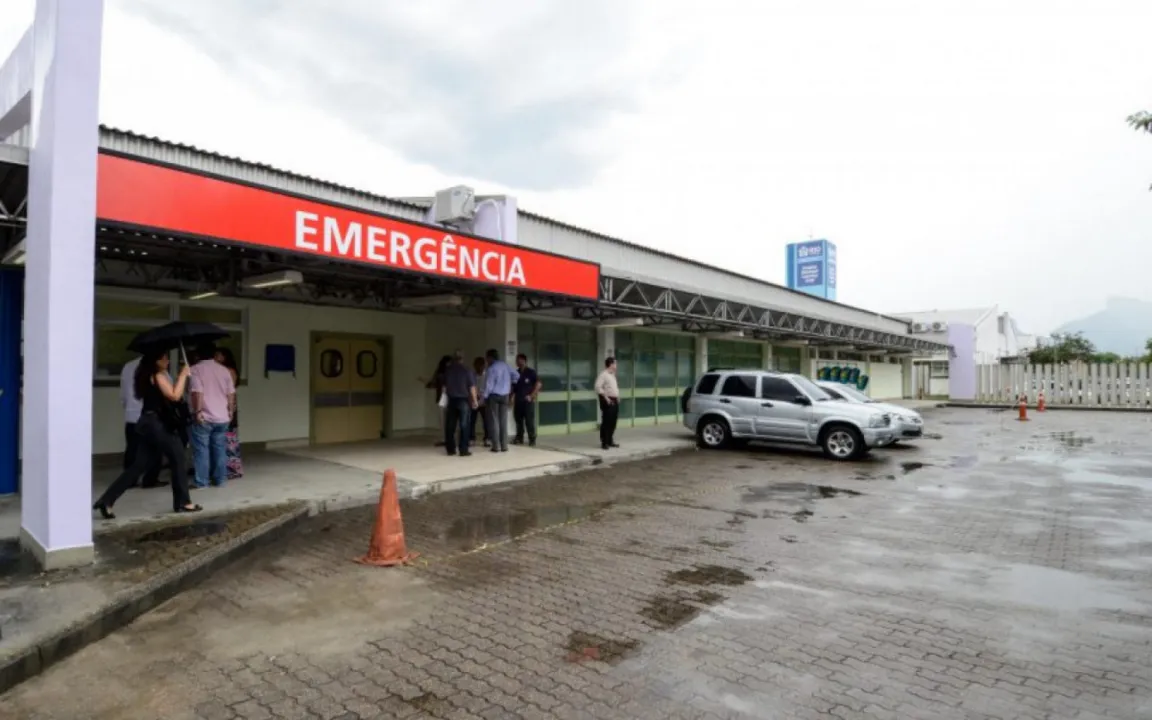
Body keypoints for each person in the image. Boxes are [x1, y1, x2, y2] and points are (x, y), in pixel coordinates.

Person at [93, 348, 201, 518]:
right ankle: (183, 502)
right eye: (164, 357)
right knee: (178, 457)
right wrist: (183, 375)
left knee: (138, 465)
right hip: (157, 425)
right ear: (156, 361)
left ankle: (107, 500)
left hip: (147, 423)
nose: (167, 361)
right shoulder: (156, 375)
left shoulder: (147, 375)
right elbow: (174, 395)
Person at [189, 343, 236, 488]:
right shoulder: (224, 370)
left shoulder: (195, 369)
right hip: (222, 417)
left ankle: (202, 482)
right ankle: (220, 479)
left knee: (201, 450)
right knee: (220, 449)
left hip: (204, 417)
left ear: (198, 355)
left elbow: (198, 392)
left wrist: (197, 412)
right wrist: (230, 411)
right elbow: (231, 393)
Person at [119, 355, 165, 488]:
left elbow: (123, 391)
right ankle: (150, 479)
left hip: (132, 414)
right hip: (151, 416)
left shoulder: (128, 366)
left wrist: (126, 406)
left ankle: (129, 480)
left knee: (132, 448)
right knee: (155, 449)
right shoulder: (156, 368)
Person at [442, 350, 478, 456]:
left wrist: (444, 399)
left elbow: (444, 386)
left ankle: (450, 449)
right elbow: (472, 387)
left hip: (451, 399)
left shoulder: (448, 370)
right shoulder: (467, 370)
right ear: (462, 358)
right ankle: (463, 449)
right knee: (464, 425)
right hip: (463, 400)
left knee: (450, 425)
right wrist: (475, 401)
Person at [215, 347, 243, 479]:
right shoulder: (221, 370)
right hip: (223, 406)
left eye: (218, 355)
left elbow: (229, 391)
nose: (216, 358)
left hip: (228, 406)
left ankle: (233, 469)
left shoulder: (229, 371)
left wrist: (229, 408)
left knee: (230, 437)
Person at [483, 348, 518, 453]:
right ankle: (504, 446)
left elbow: (489, 385)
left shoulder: (491, 368)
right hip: (505, 395)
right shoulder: (505, 365)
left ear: (490, 357)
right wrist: (509, 383)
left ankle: (496, 446)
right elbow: (517, 375)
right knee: (503, 421)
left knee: (494, 421)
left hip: (494, 396)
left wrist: (484, 397)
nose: (486, 361)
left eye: (487, 358)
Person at [422, 355, 452, 447]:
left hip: (444, 395)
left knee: (444, 418)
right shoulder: (445, 373)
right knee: (445, 418)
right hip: (445, 395)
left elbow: (432, 383)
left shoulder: (441, 373)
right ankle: (446, 438)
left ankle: (446, 438)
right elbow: (433, 383)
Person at [512, 353, 541, 447]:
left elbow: (539, 384)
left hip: (528, 401)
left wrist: (531, 395)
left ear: (523, 360)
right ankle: (519, 438)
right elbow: (513, 388)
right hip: (518, 401)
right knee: (518, 421)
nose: (516, 362)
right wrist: (511, 398)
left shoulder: (531, 372)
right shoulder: (516, 373)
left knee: (529, 421)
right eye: (516, 360)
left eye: (518, 360)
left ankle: (532, 439)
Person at [595, 356, 620, 451]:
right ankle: (604, 442)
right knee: (606, 421)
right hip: (607, 400)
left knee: (613, 421)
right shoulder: (603, 375)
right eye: (615, 363)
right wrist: (605, 397)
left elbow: (614, 388)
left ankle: (610, 440)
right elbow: (598, 387)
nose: (616, 365)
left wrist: (618, 396)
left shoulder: (612, 375)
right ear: (611, 364)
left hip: (614, 400)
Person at [470, 356, 492, 447]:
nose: (479, 368)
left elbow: (488, 388)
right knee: (471, 420)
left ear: (484, 366)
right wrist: (475, 395)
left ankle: (487, 438)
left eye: (481, 366)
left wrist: (482, 396)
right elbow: (471, 386)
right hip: (474, 399)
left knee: (486, 421)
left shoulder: (487, 375)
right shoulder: (472, 374)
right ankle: (471, 438)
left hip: (484, 400)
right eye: (477, 366)